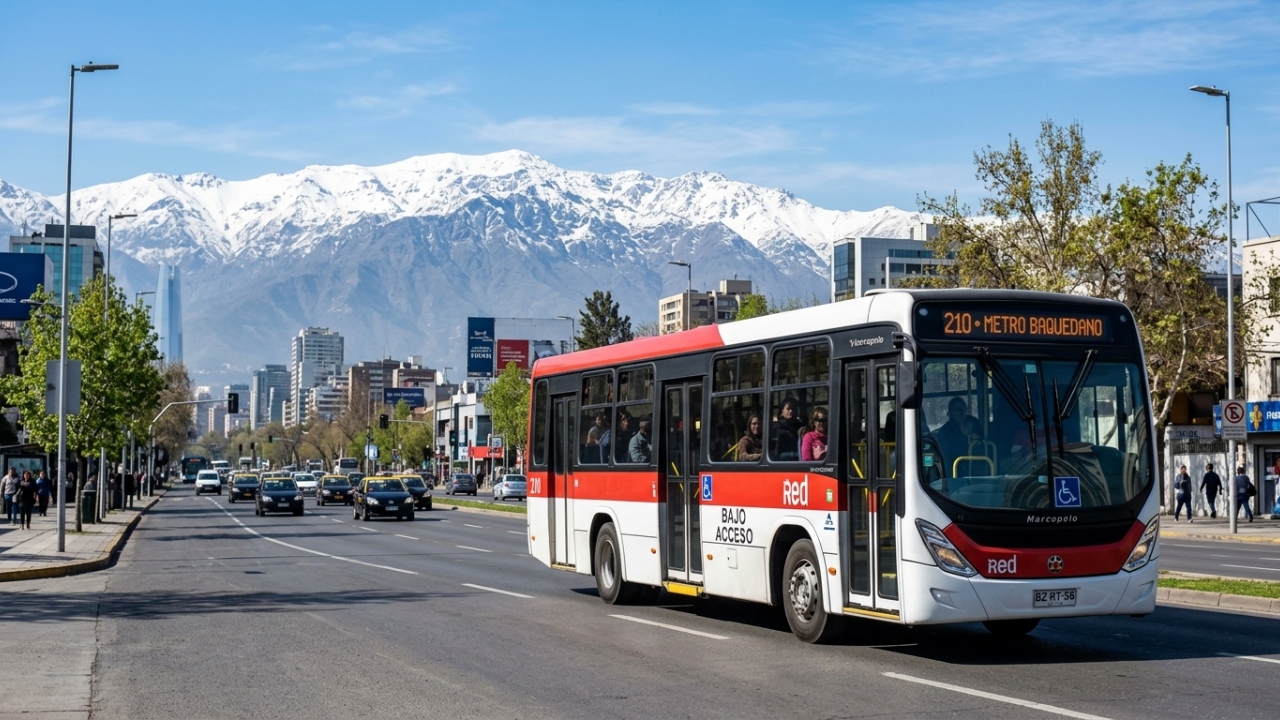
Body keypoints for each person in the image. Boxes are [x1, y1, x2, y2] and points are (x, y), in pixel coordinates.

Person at [933, 397, 978, 470]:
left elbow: (984, 442)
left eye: (962, 409)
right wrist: (964, 436)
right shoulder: (944, 432)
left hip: (978, 465)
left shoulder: (974, 422)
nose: (960, 412)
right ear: (950, 413)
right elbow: (947, 456)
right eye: (957, 410)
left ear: (966, 410)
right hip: (954, 469)